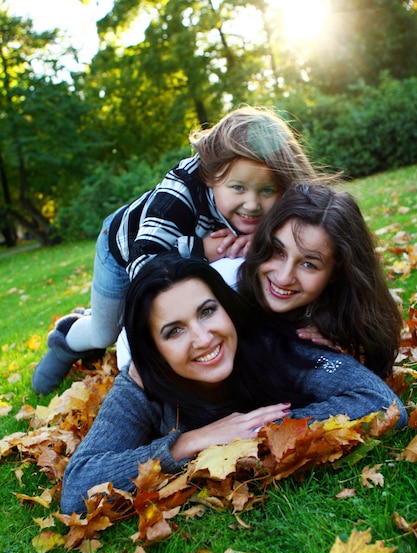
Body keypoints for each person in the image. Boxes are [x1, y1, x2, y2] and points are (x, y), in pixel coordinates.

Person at [60, 253, 407, 514]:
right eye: (174, 330)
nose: (203, 338)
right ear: (155, 351)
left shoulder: (273, 346)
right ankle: (69, 335)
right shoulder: (140, 384)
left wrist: (263, 429)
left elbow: (381, 402)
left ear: (227, 309)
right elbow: (76, 489)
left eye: (207, 311)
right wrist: (189, 443)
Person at [32, 105, 324, 396]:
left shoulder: (276, 204)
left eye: (267, 191)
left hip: (178, 258)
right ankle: (66, 336)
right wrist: (200, 250)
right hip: (124, 251)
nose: (251, 204)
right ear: (210, 175)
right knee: (104, 332)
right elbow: (145, 264)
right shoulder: (178, 194)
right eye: (237, 188)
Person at [237, 183, 404, 379]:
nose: (284, 277)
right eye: (278, 251)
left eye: (309, 264)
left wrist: (339, 348)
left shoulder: (341, 316)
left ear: (336, 273)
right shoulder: (227, 290)